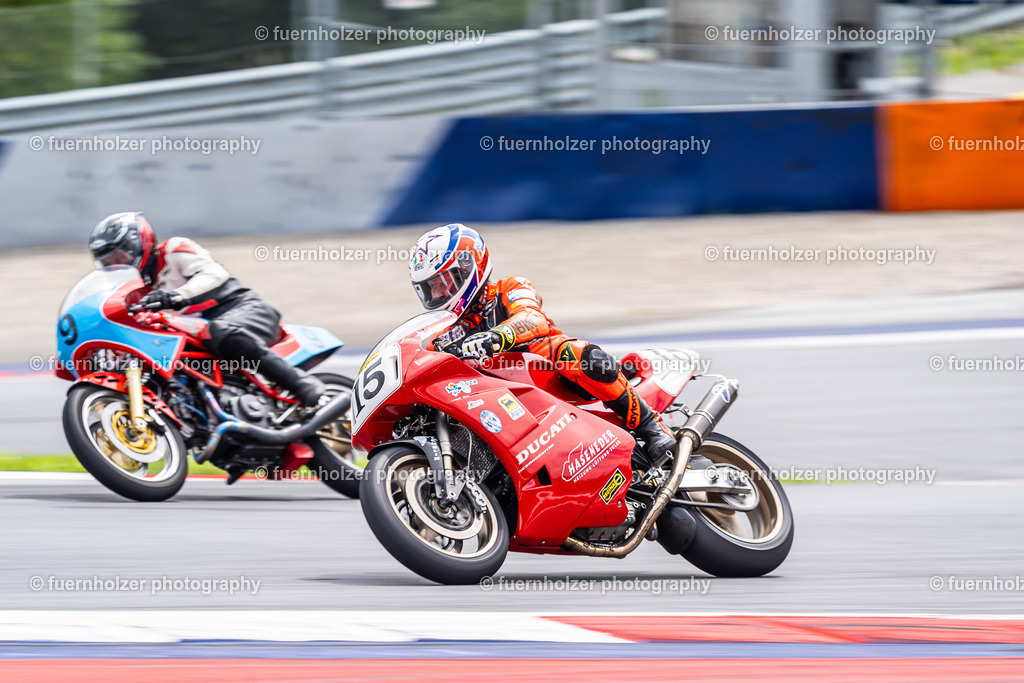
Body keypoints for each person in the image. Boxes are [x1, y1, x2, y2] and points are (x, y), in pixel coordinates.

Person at [408, 223, 679, 465]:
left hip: (552, 382)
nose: (438, 293)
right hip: (498, 403)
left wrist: (495, 337)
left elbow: (532, 318)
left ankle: (651, 425)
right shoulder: (444, 330)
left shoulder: (510, 288)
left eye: (442, 282)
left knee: (575, 354)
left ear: (468, 267)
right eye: (430, 287)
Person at [88, 212, 325, 405]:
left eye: (119, 256)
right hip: (196, 336)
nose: (116, 265)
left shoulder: (173, 249)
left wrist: (177, 296)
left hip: (243, 310)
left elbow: (214, 274)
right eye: (107, 263)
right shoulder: (134, 290)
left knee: (218, 330)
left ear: (139, 243)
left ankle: (302, 384)